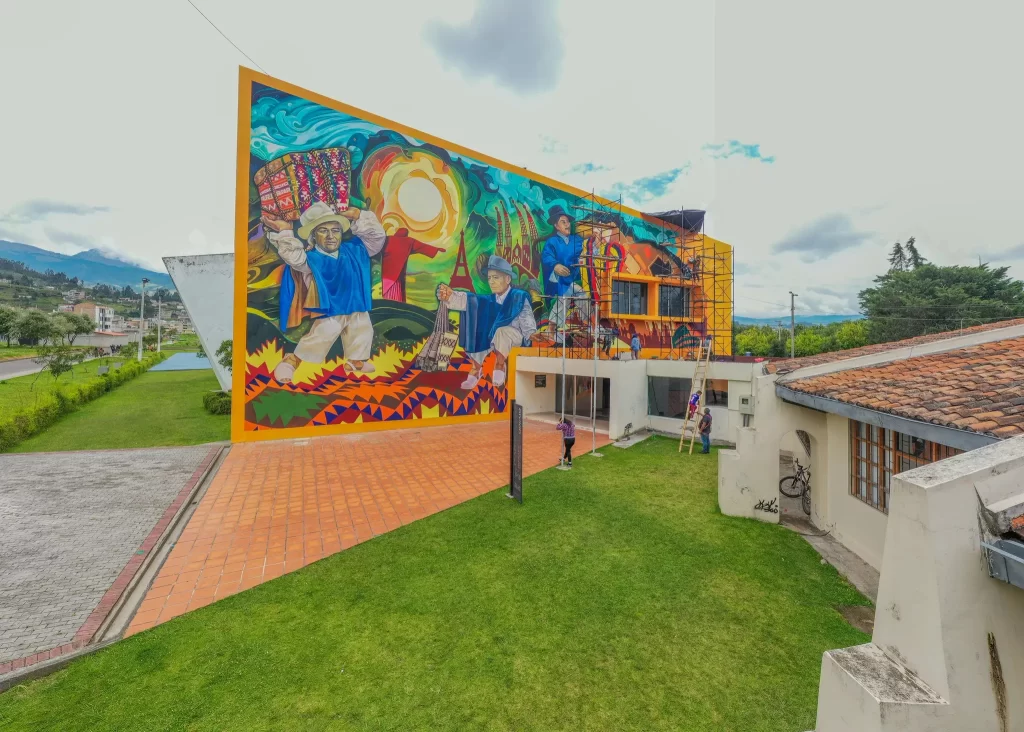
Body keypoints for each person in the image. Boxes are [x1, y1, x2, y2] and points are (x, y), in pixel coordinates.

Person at [263, 201, 386, 383]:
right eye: (323, 230)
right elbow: (293, 257)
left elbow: (377, 237)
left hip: (356, 303)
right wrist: (285, 231)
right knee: (323, 334)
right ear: (313, 235)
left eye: (335, 230)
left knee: (362, 329)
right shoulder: (311, 258)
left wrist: (358, 214)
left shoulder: (356, 249)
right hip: (332, 308)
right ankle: (291, 361)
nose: (330, 236)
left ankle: (355, 361)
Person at [436, 255, 537, 390]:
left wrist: (530, 333)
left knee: (502, 331)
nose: (491, 282)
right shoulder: (489, 299)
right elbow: (470, 300)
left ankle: (500, 365)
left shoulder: (518, 296)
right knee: (478, 327)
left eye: (496, 277)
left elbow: (526, 317)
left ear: (507, 279)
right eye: (489, 278)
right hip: (494, 337)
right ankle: (476, 369)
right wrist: (451, 296)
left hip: (515, 337)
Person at [541, 205, 586, 342]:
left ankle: (584, 324)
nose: (567, 225)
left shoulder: (576, 240)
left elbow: (585, 249)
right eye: (563, 222)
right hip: (558, 280)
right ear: (556, 225)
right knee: (565, 296)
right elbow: (546, 256)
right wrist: (555, 265)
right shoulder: (552, 242)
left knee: (582, 294)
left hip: (571, 278)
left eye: (568, 221)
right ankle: (551, 330)